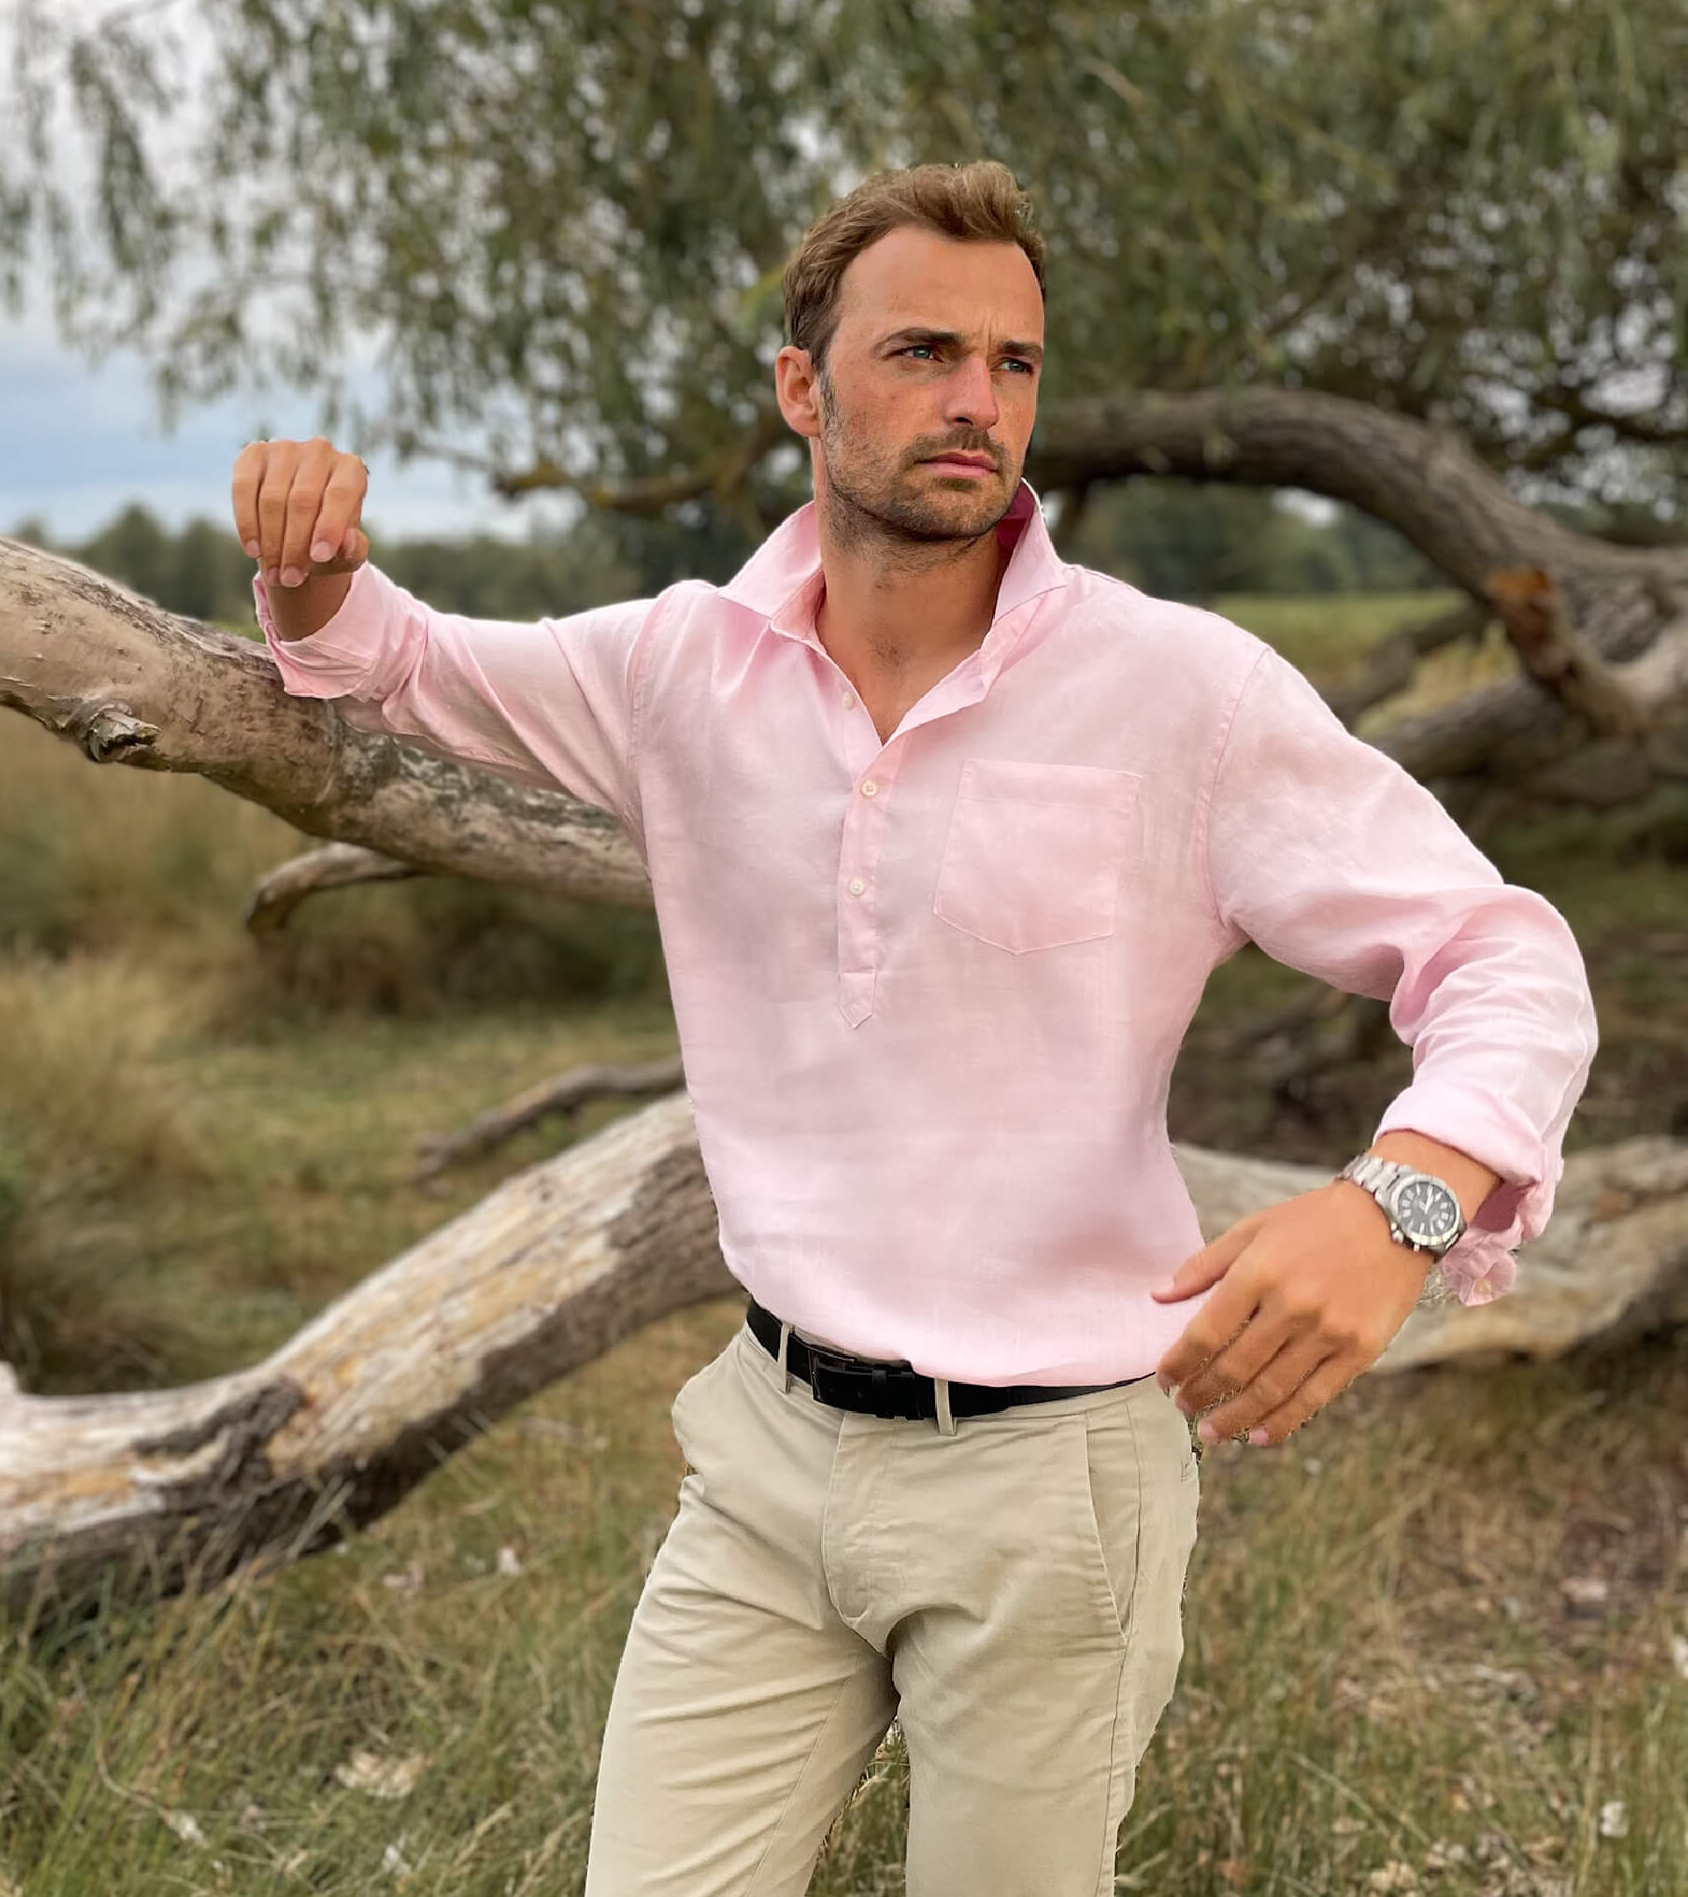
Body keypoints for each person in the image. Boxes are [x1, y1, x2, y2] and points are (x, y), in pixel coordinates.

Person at [234, 161, 1597, 1897]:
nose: (977, 403)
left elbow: (1504, 950)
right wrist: (305, 561)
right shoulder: (679, 669)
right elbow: (399, 663)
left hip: (1056, 1483)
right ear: (802, 387)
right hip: (764, 1455)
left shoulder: (1184, 690)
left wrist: (1402, 1196)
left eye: (1015, 364)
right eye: (924, 352)